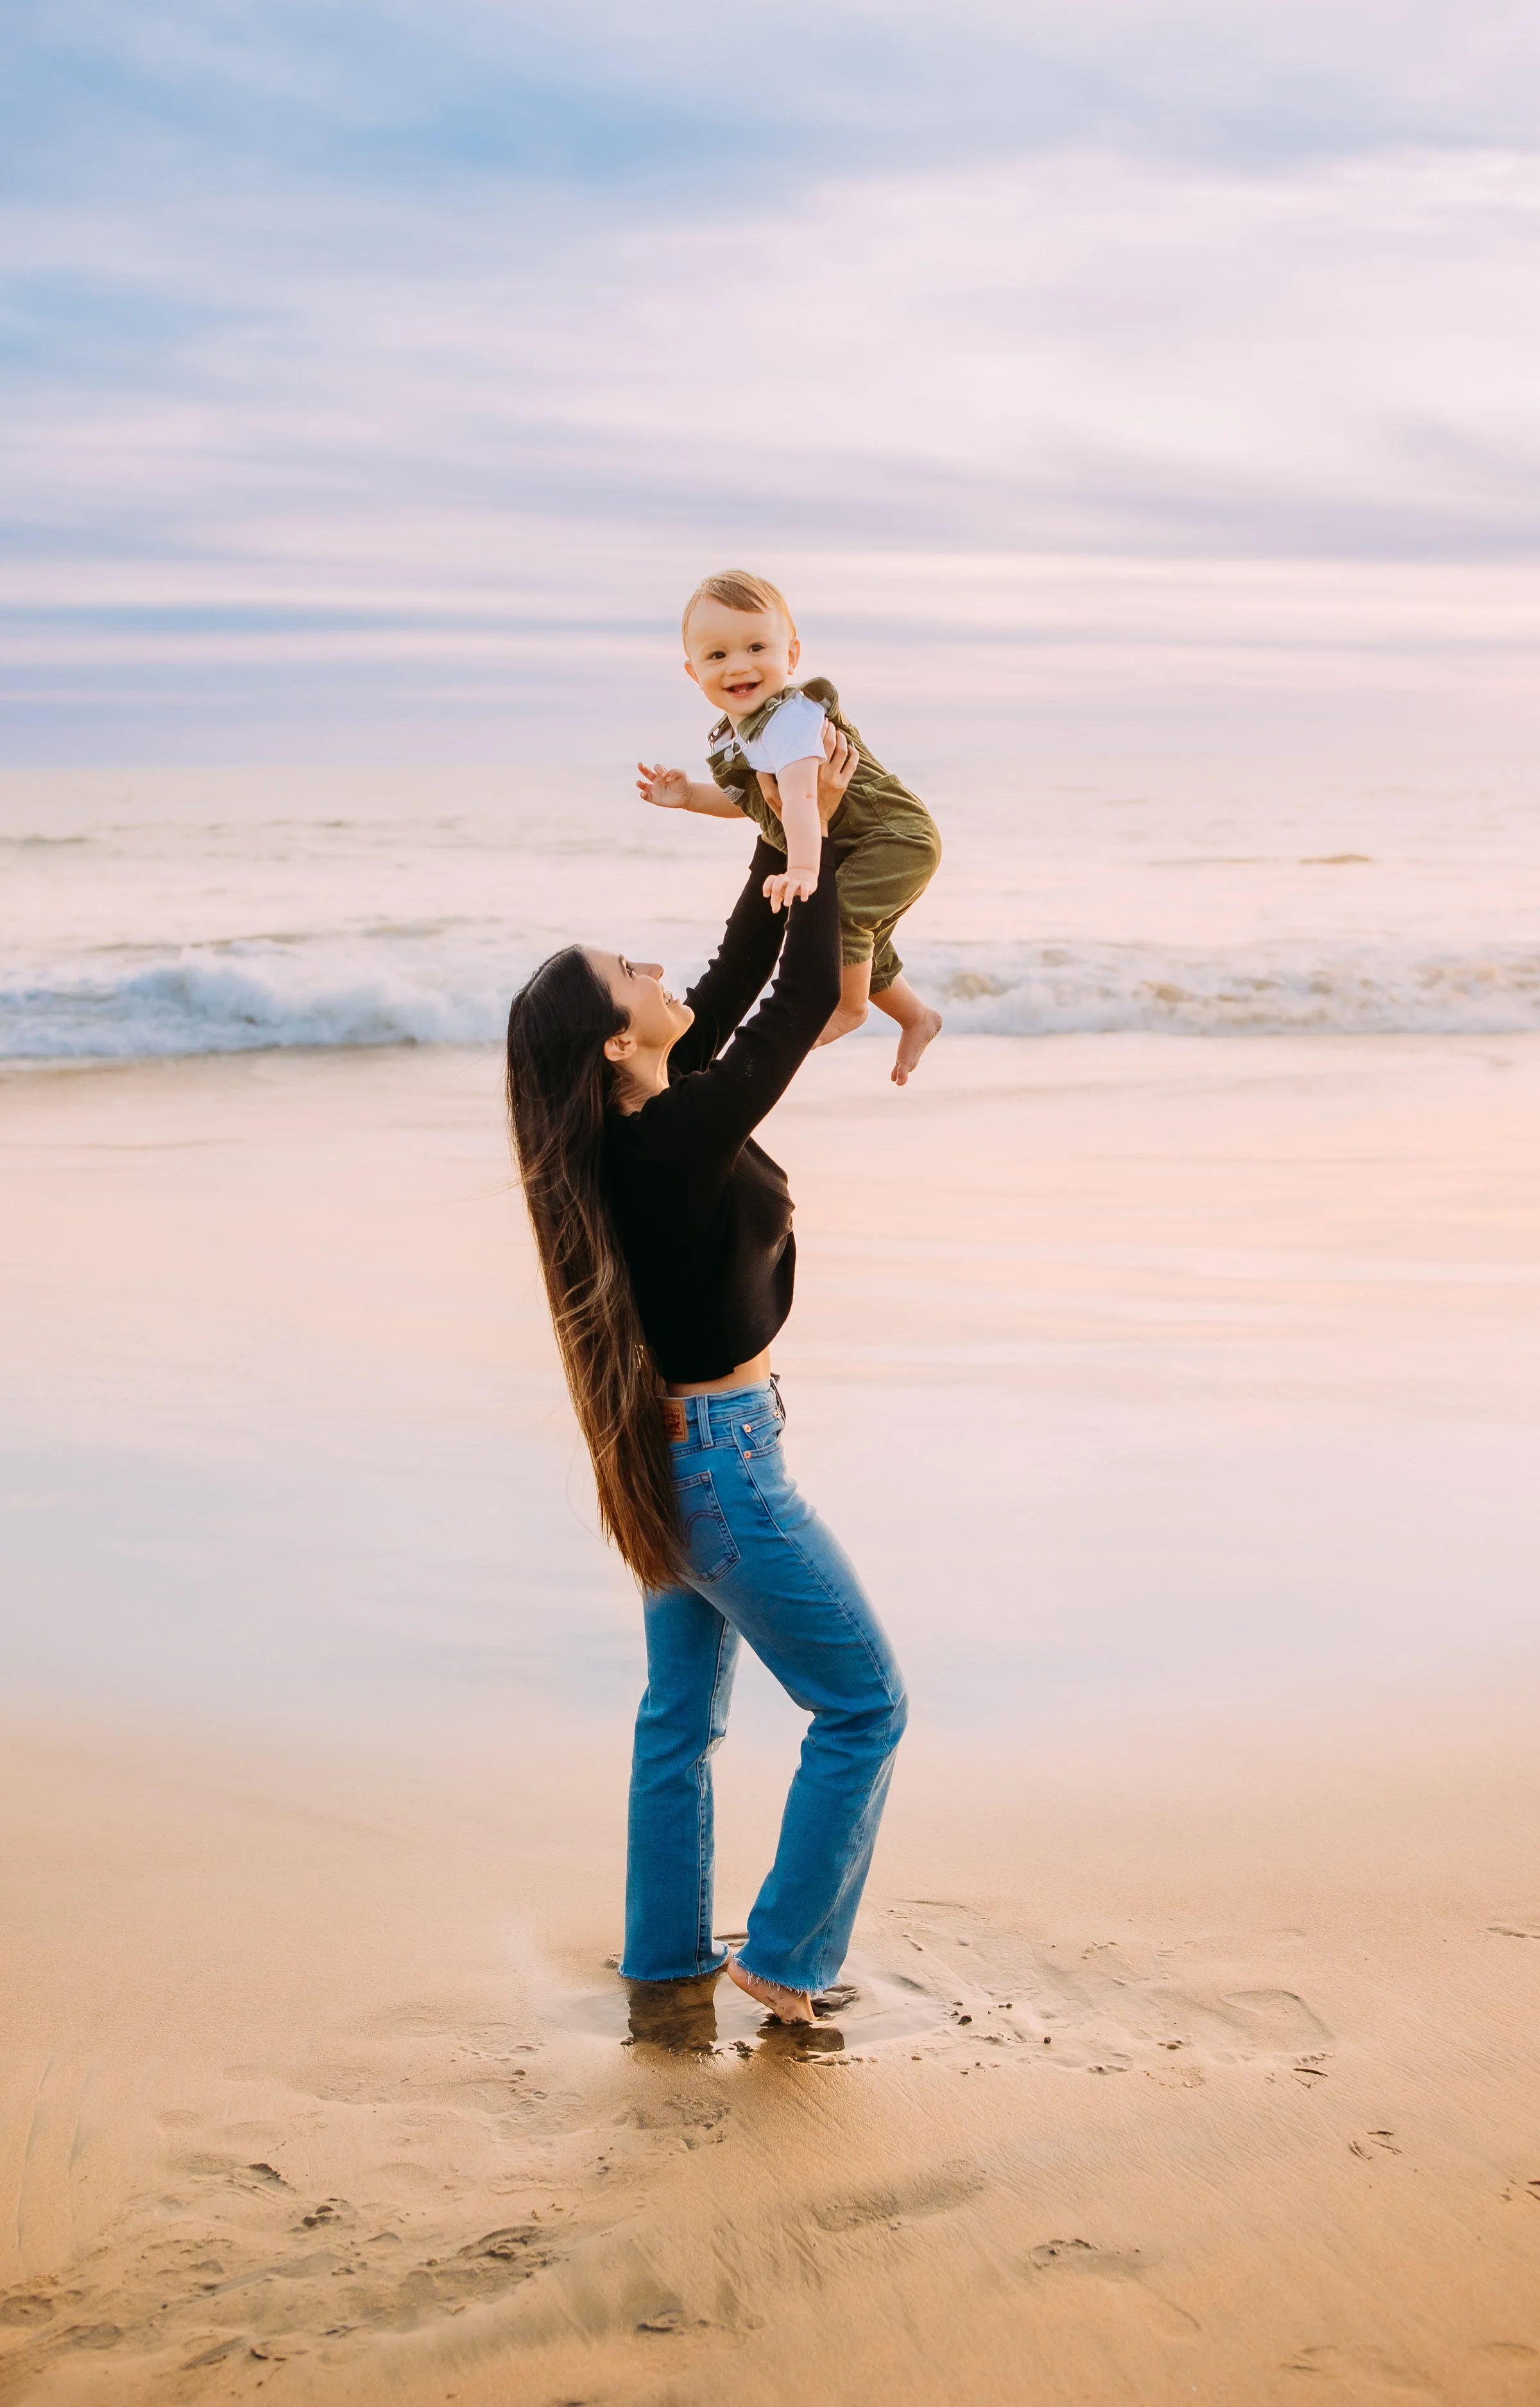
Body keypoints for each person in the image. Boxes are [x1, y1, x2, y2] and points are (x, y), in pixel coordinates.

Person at [505, 728, 907, 2029]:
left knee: (678, 1721)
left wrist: (778, 838)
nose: (656, 968)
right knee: (862, 1708)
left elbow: (744, 972)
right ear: (614, 1047)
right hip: (724, 1469)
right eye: (628, 974)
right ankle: (784, 1967)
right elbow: (792, 1008)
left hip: (675, 1456)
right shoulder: (668, 1141)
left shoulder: (646, 1125)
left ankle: (665, 1959)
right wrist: (811, 829)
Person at [637, 568, 945, 1085]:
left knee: (843, 923)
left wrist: (803, 868)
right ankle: (917, 1016)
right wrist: (689, 797)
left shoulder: (788, 721)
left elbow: (803, 796)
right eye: (718, 655)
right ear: (694, 672)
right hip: (853, 842)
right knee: (864, 948)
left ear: (792, 657)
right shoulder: (736, 736)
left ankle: (848, 1011)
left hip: (891, 839)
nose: (739, 666)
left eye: (757, 647)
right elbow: (759, 805)